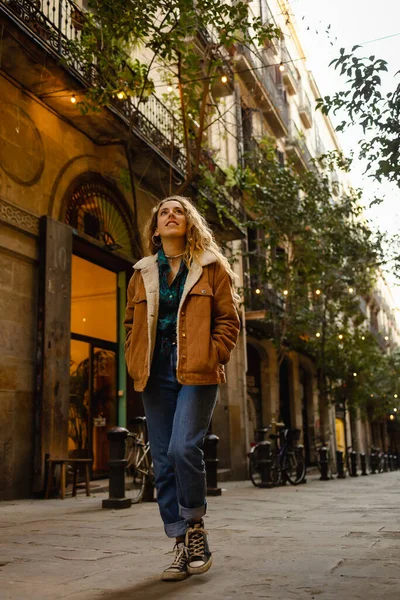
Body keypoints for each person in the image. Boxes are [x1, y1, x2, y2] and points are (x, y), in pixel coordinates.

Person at [124, 195, 240, 581]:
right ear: (155, 228)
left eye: (179, 211)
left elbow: (228, 319)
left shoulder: (210, 268)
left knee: (182, 447)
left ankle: (194, 525)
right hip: (154, 373)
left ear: (189, 223)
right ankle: (179, 543)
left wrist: (214, 353)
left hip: (196, 371)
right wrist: (132, 354)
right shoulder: (141, 273)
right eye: (163, 213)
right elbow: (130, 325)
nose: (171, 216)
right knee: (162, 458)